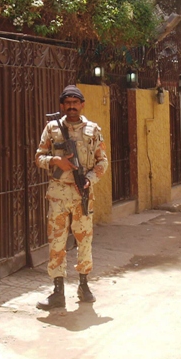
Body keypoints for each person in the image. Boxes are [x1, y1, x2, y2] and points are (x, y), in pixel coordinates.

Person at [34, 85, 109, 310]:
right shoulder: (52, 129)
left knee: (84, 240)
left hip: (82, 195)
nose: (72, 106)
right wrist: (57, 162)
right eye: (68, 102)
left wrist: (89, 179)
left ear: (82, 104)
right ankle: (58, 291)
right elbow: (39, 157)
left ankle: (84, 286)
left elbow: (102, 162)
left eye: (76, 102)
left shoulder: (93, 130)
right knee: (56, 242)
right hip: (58, 195)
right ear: (62, 105)